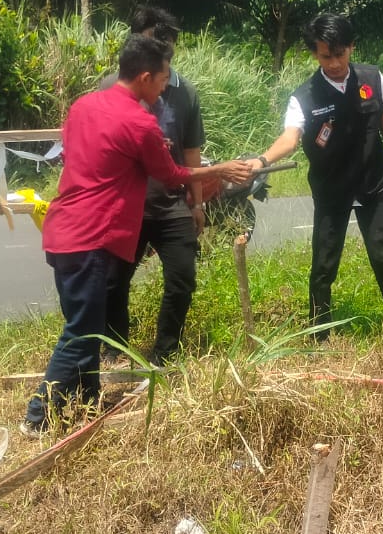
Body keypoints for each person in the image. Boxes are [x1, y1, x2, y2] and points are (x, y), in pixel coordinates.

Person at [25, 35, 250, 433]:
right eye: (163, 80)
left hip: (62, 230)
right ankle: (38, 417)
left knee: (89, 325)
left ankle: (88, 404)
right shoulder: (139, 122)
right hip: (91, 237)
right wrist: (220, 170)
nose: (165, 87)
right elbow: (172, 175)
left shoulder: (83, 106)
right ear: (145, 77)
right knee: (81, 334)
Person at [250, 13, 383, 334]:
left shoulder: (372, 79)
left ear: (352, 47)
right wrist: (261, 160)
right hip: (331, 190)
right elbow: (290, 138)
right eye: (327, 56)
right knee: (324, 266)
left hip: (373, 183)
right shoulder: (304, 96)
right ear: (315, 53)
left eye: (341, 53)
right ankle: (319, 332)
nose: (335, 62)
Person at [98, 6, 206, 364]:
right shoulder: (107, 91)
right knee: (114, 282)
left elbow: (191, 153)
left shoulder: (185, 93)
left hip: (171, 203)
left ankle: (164, 354)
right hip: (126, 205)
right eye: (151, 45)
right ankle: (115, 351)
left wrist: (197, 203)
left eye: (166, 47)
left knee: (182, 278)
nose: (160, 55)